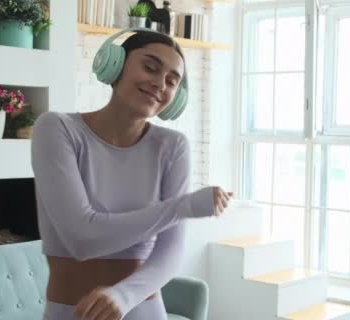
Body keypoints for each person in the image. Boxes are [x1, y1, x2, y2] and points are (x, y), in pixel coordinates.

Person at [31, 28, 232, 320]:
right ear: (115, 63)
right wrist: (185, 206)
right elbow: (81, 238)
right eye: (150, 67)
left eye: (172, 81)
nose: (160, 84)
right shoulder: (57, 129)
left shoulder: (172, 146)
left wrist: (123, 296)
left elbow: (170, 254)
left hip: (144, 311)